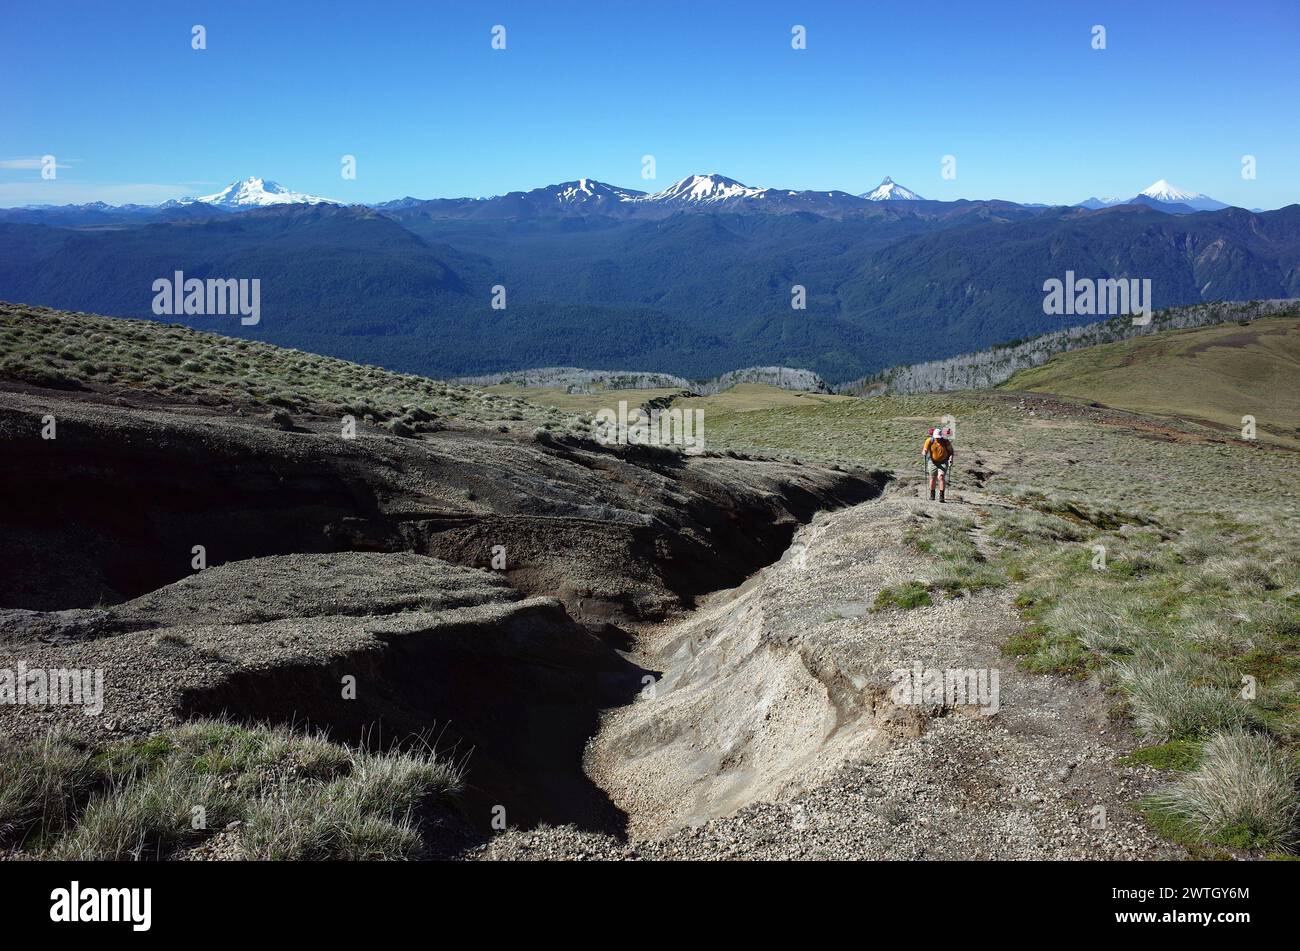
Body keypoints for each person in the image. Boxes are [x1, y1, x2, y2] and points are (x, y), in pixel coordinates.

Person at [922, 426, 954, 502]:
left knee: (941, 477)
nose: (938, 439)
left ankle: (941, 496)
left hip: (943, 461)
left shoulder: (946, 441)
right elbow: (925, 449)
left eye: (939, 437)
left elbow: (951, 452)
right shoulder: (929, 440)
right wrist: (924, 452)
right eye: (936, 437)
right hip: (932, 461)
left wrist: (951, 459)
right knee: (932, 477)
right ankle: (932, 495)